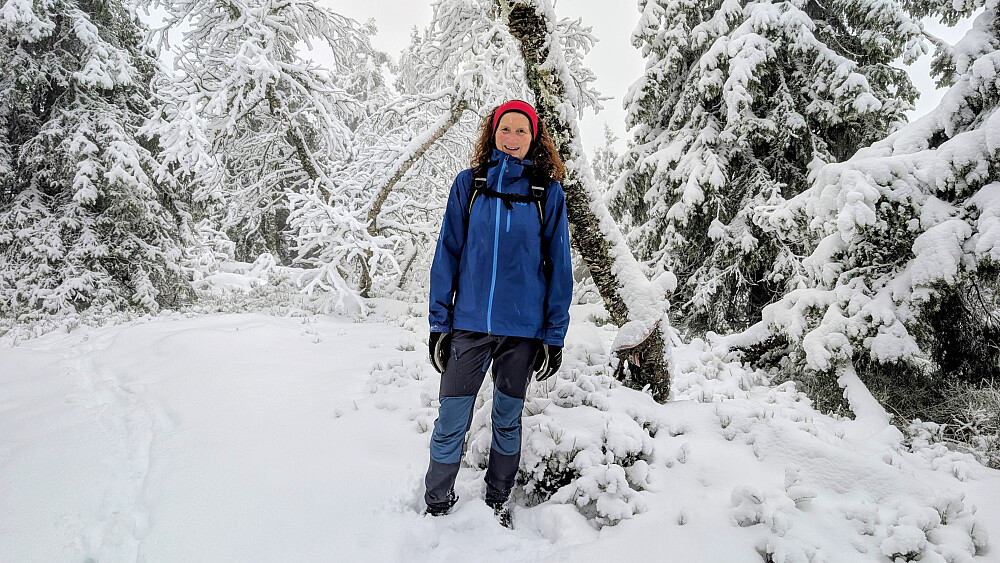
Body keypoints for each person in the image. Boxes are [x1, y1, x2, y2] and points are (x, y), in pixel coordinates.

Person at [424, 100, 573, 527]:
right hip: (468, 326)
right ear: (493, 133)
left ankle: (496, 501)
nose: (511, 138)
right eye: (505, 129)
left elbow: (559, 268)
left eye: (521, 131)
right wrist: (439, 323)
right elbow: (447, 253)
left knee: (507, 420)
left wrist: (554, 335)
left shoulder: (546, 193)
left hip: (522, 333)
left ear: (533, 138)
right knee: (451, 419)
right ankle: (437, 503)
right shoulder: (469, 185)